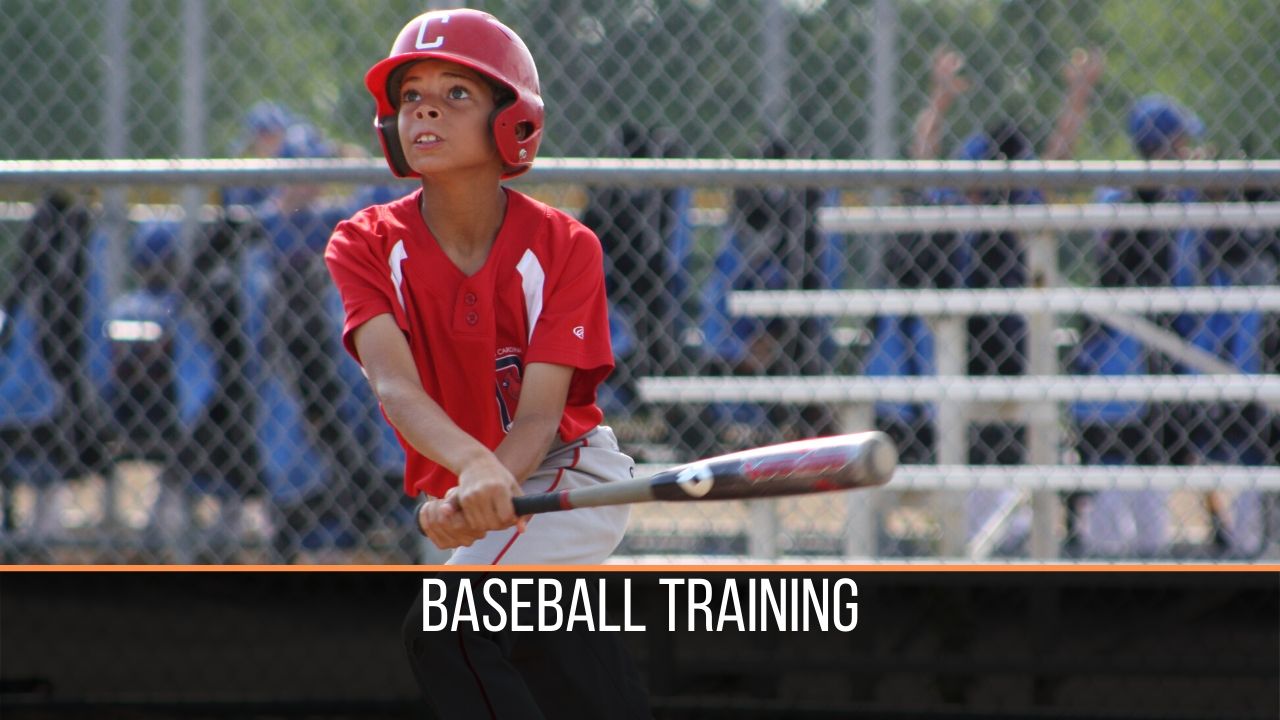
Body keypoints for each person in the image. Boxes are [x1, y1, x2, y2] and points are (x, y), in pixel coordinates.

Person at [325, 9, 650, 717]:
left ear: (514, 122)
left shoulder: (566, 246)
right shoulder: (365, 242)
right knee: (563, 670)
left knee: (449, 631)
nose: (426, 110)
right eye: (411, 95)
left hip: (567, 473)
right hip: (477, 486)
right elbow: (394, 385)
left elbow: (539, 413)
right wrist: (468, 481)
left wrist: (485, 481)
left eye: (457, 94)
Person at [869, 47, 1101, 554]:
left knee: (1005, 442)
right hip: (959, 340)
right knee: (959, 441)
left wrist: (1078, 94)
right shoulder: (954, 200)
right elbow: (924, 157)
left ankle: (1000, 540)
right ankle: (968, 542)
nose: (983, 187)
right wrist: (940, 98)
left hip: (1008, 339)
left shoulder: (1019, 198)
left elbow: (1056, 160)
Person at [1072, 94, 1274, 556]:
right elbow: (1122, 265)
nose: (1190, 151)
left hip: (1166, 363)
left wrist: (1216, 188)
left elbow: (1235, 247)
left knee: (1156, 498)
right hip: (1121, 364)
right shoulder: (1124, 200)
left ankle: (1216, 544)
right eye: (1181, 143)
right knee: (1118, 504)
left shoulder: (1187, 197)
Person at [699, 135, 842, 452]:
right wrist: (742, 343)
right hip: (743, 328)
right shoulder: (744, 223)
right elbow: (725, 294)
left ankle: (811, 439)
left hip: (793, 330)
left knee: (798, 352)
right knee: (722, 350)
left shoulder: (808, 222)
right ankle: (730, 437)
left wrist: (775, 334)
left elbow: (813, 284)